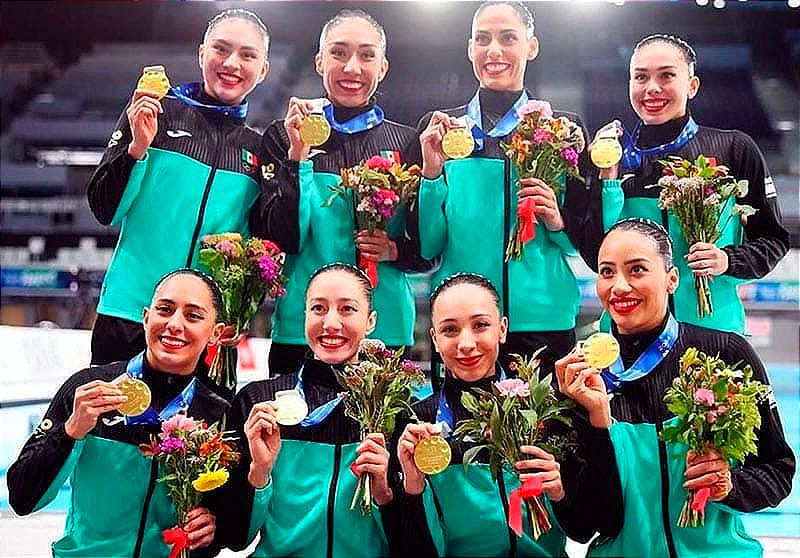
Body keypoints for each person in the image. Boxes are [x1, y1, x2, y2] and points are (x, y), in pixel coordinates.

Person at [555, 218, 795, 557]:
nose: (619, 286)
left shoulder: (725, 354)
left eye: (636, 270)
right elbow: (585, 527)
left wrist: (730, 486)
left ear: (672, 279)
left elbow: (778, 471)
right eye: (607, 272)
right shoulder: (582, 377)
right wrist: (596, 426)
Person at [86, 8, 271, 392]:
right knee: (110, 441)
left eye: (248, 55)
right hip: (130, 313)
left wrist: (238, 313)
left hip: (207, 331)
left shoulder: (259, 150)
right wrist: (138, 146)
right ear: (202, 53)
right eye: (221, 49)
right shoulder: (154, 112)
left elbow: (259, 251)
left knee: (197, 448)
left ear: (264, 69)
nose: (232, 63)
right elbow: (105, 208)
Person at [413, 1, 595, 378]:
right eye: (483, 39)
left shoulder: (563, 130)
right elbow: (428, 247)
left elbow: (583, 241)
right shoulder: (443, 132)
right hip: (463, 324)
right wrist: (431, 175)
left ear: (531, 46)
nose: (493, 50)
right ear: (469, 50)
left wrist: (557, 220)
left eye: (507, 38)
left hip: (543, 319)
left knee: (545, 437)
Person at [249, 8, 432, 377]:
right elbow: (284, 238)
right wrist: (297, 158)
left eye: (367, 55)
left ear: (382, 68)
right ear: (319, 62)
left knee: (379, 435)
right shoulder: (282, 136)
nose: (352, 67)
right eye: (338, 53)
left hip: (385, 332)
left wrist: (397, 250)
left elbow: (430, 250)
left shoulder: (407, 142)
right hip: (304, 332)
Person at [7, 269, 230, 557]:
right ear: (146, 317)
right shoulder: (88, 389)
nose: (175, 324)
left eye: (193, 316)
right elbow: (22, 498)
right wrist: (71, 431)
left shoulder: (219, 411)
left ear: (215, 333)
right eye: (165, 309)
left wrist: (215, 526)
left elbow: (230, 525)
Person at [385, 273, 597, 558]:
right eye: (450, 330)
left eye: (481, 325)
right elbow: (410, 550)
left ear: (502, 329)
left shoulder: (545, 410)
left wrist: (559, 493)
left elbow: (583, 530)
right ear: (434, 339)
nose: (466, 343)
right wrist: (413, 487)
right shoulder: (418, 424)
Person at [590, 34, 789, 335]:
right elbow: (593, 250)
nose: (652, 88)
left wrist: (726, 260)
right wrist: (606, 179)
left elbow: (773, 240)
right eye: (640, 77)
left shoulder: (733, 149)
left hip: (713, 333)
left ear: (692, 85)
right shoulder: (611, 157)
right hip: (627, 337)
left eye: (667, 75)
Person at [213, 264, 398, 557]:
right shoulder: (258, 402)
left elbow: (412, 545)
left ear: (370, 321)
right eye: (319, 309)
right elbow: (233, 538)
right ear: (305, 317)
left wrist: (385, 493)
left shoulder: (394, 407)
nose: (331, 323)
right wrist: (259, 472)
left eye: (347, 309)